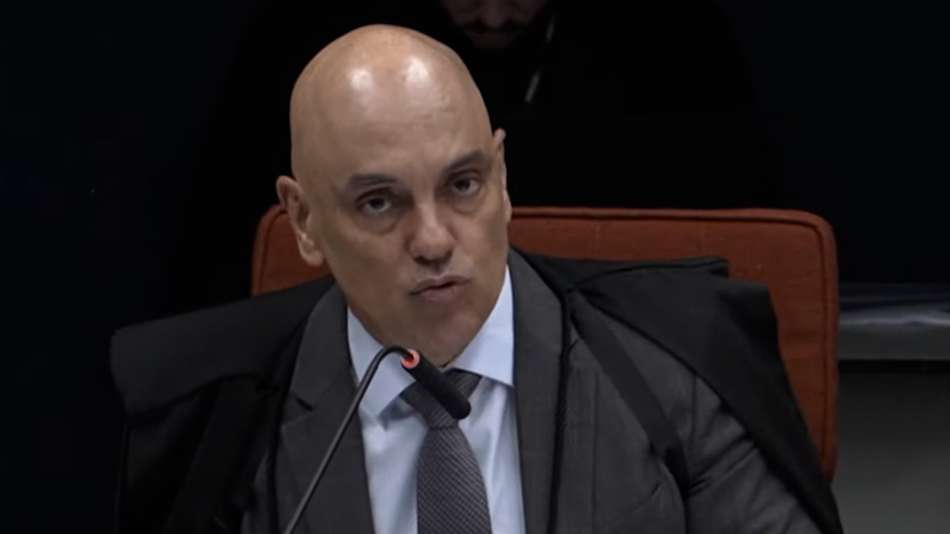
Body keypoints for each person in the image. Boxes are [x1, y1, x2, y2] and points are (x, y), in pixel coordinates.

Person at [111, 25, 840, 534]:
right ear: (303, 220)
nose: (433, 241)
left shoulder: (678, 367)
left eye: (462, 185)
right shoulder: (218, 421)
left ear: (502, 176)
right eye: (379, 202)